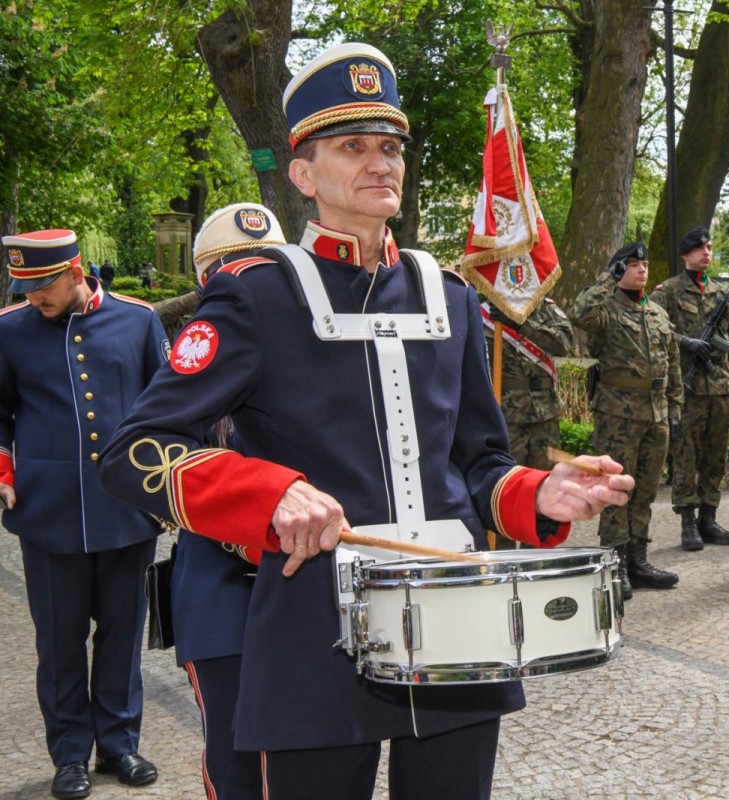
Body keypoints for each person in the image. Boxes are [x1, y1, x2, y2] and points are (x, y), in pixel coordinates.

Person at [99, 43, 633, 800]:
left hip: (459, 628)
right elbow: (136, 450)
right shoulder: (257, 296)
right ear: (304, 175)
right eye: (354, 147)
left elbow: (476, 463)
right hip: (314, 628)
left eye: (389, 147)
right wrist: (268, 494)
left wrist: (539, 495)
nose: (381, 163)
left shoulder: (449, 297)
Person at [0, 229, 166, 799]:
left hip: (125, 507)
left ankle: (120, 745)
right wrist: (4, 469)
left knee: (122, 635)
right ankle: (70, 753)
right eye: (24, 288)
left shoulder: (139, 321)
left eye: (42, 286)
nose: (33, 299)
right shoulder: (9, 330)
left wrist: (166, 483)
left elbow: (164, 408)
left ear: (75, 271)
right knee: (60, 642)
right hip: (48, 512)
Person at [169, 202, 286, 799]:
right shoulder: (192, 355)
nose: (247, 282)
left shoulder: (309, 351)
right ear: (204, 280)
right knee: (236, 756)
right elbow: (156, 466)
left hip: (302, 584)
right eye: (229, 270)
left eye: (263, 268)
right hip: (222, 587)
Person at [572, 242, 682, 596]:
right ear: (620, 270)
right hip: (619, 415)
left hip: (656, 414)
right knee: (614, 491)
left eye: (645, 264)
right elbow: (579, 313)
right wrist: (608, 278)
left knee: (645, 491)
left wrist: (675, 408)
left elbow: (673, 364)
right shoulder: (605, 310)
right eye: (633, 264)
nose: (642, 270)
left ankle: (638, 559)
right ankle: (615, 566)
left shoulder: (658, 314)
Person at [650, 226, 729, 551]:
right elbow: (651, 326)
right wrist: (684, 341)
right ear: (686, 253)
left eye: (710, 247)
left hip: (719, 385)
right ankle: (688, 522)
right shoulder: (669, 291)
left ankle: (709, 518)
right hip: (687, 387)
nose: (707, 252)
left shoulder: (721, 293)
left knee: (715, 455)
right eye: (700, 247)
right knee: (687, 455)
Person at [483, 295, 575, 550]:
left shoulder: (546, 309)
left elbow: (565, 344)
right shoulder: (482, 311)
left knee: (545, 487)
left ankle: (538, 560)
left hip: (544, 415)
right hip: (503, 415)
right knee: (506, 488)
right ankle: (501, 562)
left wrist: (522, 325)